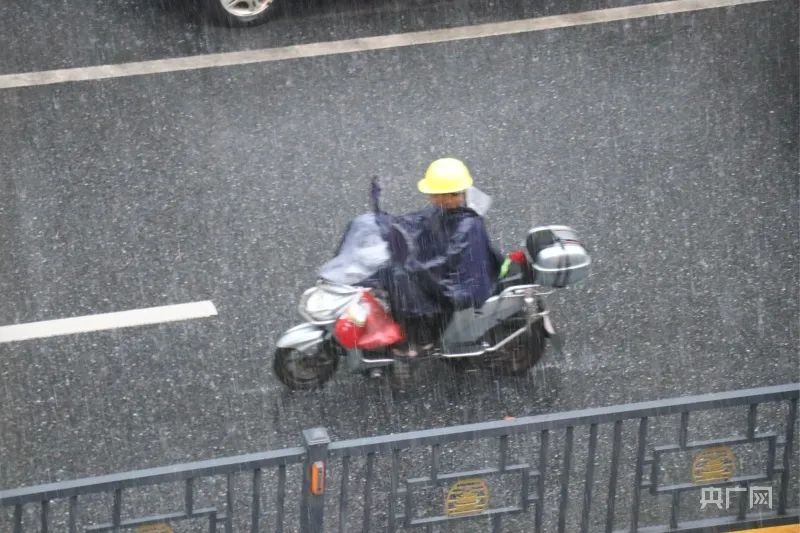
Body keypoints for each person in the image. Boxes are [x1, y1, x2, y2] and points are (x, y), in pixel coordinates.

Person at [379, 158, 504, 353]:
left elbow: (455, 258)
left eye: (443, 195)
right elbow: (416, 222)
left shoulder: (469, 225)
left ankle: (420, 337)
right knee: (388, 270)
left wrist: (418, 266)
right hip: (445, 272)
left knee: (402, 278)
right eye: (435, 194)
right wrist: (387, 224)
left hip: (459, 283)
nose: (438, 199)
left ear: (458, 194)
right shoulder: (442, 209)